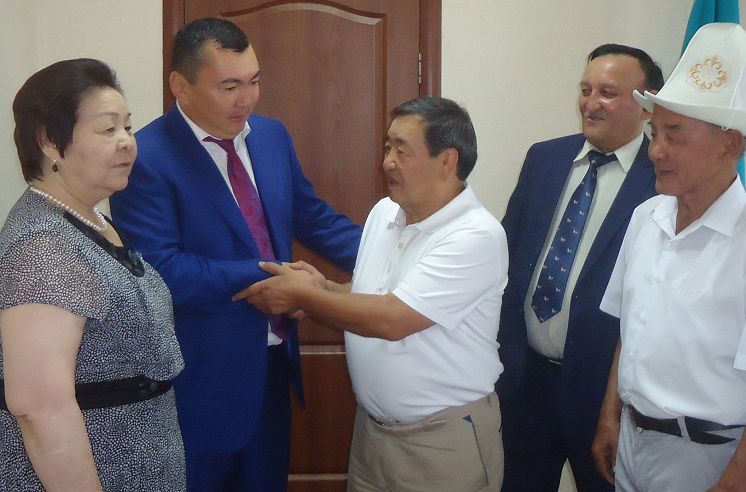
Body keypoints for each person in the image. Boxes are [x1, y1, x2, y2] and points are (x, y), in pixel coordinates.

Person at [109, 17, 361, 491]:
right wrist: (273, 277)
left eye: (254, 81)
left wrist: (396, 258)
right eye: (229, 86)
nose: (247, 99)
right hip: (199, 379)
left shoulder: (271, 137)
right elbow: (159, 270)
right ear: (180, 86)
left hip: (272, 367)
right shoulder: (147, 156)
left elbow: (315, 219)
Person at [234, 97, 507, 491]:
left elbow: (392, 319)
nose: (387, 162)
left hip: (442, 441)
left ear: (447, 161)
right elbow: (373, 294)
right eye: (387, 147)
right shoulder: (385, 212)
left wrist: (305, 297)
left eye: (401, 150)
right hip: (371, 434)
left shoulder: (475, 235)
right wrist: (324, 288)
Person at [592, 23, 746, 492]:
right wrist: (610, 416)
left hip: (705, 458)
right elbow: (630, 332)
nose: (656, 151)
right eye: (654, 133)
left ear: (730, 145)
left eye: (675, 136)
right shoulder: (645, 218)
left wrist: (733, 485)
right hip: (631, 443)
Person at [0, 59, 185, 491]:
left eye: (128, 127)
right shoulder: (43, 246)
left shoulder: (90, 220)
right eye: (107, 129)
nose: (127, 142)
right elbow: (38, 407)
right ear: (49, 141)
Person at [497, 44, 663, 491]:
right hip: (525, 383)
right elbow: (505, 256)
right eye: (586, 90)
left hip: (603, 398)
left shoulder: (661, 180)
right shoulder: (544, 159)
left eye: (608, 92)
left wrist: (618, 406)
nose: (591, 103)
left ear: (647, 105)